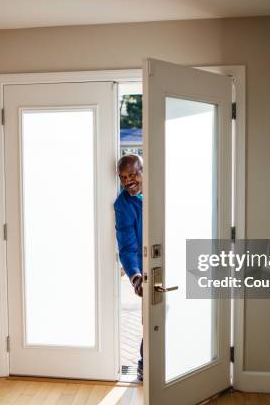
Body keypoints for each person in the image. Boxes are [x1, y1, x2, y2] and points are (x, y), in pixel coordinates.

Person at [114, 154, 144, 381]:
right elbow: (127, 245)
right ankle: (146, 364)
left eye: (132, 174)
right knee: (153, 319)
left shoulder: (163, 188)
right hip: (148, 271)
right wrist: (134, 276)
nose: (127, 181)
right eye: (123, 177)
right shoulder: (123, 204)